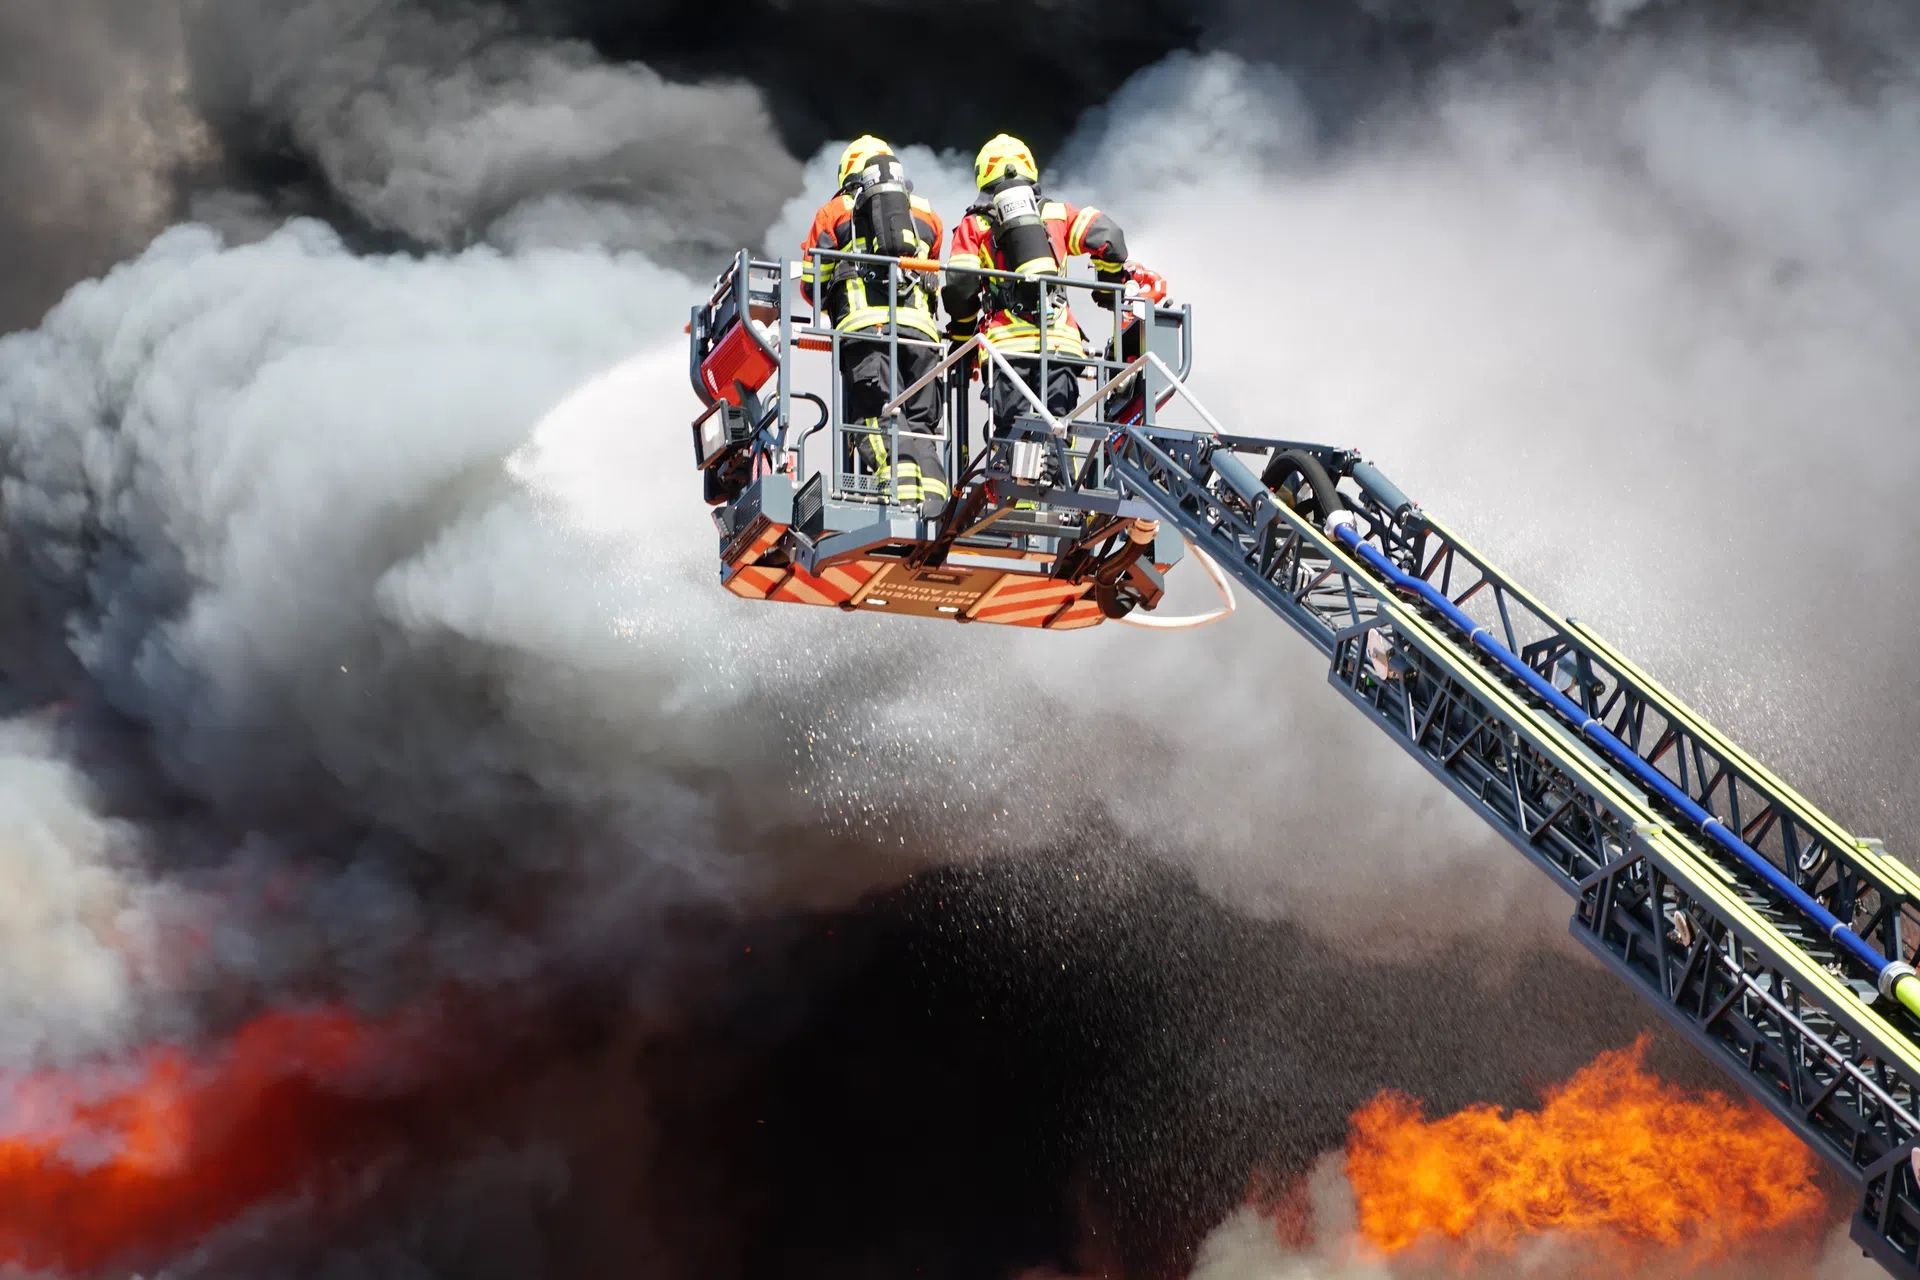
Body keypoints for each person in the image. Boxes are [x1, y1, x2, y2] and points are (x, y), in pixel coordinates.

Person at [940, 133, 1131, 448]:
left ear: (983, 173)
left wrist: (962, 337)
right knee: (1057, 432)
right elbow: (1111, 238)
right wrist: (1108, 287)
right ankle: (1052, 478)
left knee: (1013, 436)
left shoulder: (975, 225)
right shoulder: (1059, 214)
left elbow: (961, 286)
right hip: (1059, 345)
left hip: (1006, 347)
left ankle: (1016, 479)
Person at [800, 135, 949, 517]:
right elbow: (933, 270)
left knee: (875, 414)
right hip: (922, 337)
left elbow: (812, 284)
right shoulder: (925, 214)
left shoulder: (834, 212)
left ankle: (899, 496)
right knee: (921, 424)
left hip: (867, 331)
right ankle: (934, 499)